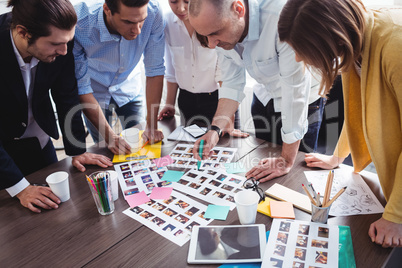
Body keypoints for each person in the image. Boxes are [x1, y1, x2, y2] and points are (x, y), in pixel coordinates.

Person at [277, 0, 402, 248]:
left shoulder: (395, 46)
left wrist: (396, 215)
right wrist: (337, 157)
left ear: (329, 37)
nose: (299, 57)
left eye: (302, 49)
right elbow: (359, 111)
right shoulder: (354, 40)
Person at [188, 0, 326, 182]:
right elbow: (231, 82)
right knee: (261, 173)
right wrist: (215, 131)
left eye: (215, 33)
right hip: (265, 94)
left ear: (238, 9)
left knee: (294, 178)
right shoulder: (219, 34)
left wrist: (286, 160)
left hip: (304, 104)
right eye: (205, 36)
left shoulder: (282, 19)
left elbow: (294, 94)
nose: (212, 44)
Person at [0, 0, 112, 213]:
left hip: (39, 138)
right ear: (23, 32)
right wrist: (20, 188)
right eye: (55, 44)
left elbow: (66, 96)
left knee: (61, 206)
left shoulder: (61, 43)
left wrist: (77, 148)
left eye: (67, 42)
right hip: (3, 148)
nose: (64, 51)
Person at [73, 0, 165, 155]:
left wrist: (152, 124)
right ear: (107, 9)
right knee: (106, 149)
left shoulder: (154, 12)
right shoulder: (79, 23)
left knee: (142, 143)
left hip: (129, 87)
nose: (137, 30)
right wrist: (110, 137)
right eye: (128, 22)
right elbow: (80, 86)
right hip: (93, 92)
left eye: (141, 20)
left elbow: (155, 69)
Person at [158, 0, 246, 137]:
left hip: (218, 99)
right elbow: (171, 68)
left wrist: (228, 117)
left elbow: (226, 73)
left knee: (225, 145)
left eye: (187, 1)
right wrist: (169, 104)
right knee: (191, 149)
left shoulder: (212, 20)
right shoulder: (167, 21)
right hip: (186, 100)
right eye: (173, 1)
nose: (180, 8)